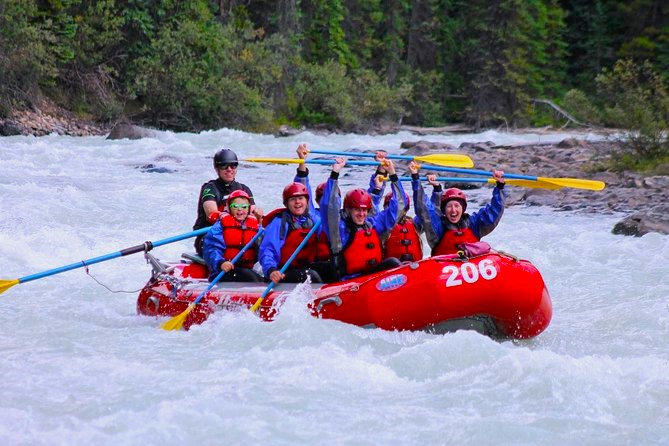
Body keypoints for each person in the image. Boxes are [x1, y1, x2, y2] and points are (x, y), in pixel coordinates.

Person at [320, 157, 407, 280]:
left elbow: (399, 206)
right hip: (348, 283)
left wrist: (393, 174)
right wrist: (335, 174)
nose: (361, 214)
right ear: (348, 210)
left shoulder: (372, 224)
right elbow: (329, 207)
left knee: (393, 263)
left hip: (371, 280)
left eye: (364, 210)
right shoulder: (339, 230)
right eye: (357, 210)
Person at [409, 161, 507, 255]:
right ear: (444, 210)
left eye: (456, 206)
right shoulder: (437, 227)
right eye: (449, 206)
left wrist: (500, 186)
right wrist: (415, 177)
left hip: (471, 268)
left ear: (463, 208)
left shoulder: (473, 224)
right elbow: (423, 208)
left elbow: (493, 212)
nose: (453, 210)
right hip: (443, 268)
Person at [259, 154, 323, 284]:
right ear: (286, 204)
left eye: (301, 198)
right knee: (311, 275)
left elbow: (304, 183)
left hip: (307, 267)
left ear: (307, 201)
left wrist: (302, 164)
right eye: (293, 199)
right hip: (283, 272)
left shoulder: (314, 218)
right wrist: (271, 270)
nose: (297, 202)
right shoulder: (279, 222)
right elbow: (268, 249)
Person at [192, 148, 263, 255]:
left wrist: (258, 215)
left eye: (233, 165)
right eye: (224, 166)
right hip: (211, 236)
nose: (229, 169)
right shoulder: (209, 188)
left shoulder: (244, 189)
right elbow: (212, 215)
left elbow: (253, 215)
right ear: (217, 169)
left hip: (239, 236)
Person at [202, 190, 263, 282]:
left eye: (244, 206)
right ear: (229, 208)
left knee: (259, 277)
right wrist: (220, 263)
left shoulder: (256, 227)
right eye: (235, 206)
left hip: (248, 269)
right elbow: (212, 249)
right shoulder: (219, 227)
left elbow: (266, 248)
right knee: (250, 276)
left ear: (248, 209)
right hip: (224, 271)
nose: (240, 209)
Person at [381, 191, 423, 262]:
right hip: (391, 269)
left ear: (405, 209)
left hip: (413, 267)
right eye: (392, 207)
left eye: (399, 207)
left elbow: (424, 211)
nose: (396, 210)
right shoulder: (382, 225)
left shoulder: (414, 223)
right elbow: (372, 209)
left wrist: (416, 182)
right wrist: (377, 189)